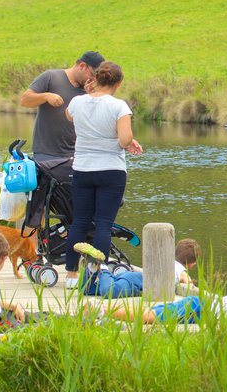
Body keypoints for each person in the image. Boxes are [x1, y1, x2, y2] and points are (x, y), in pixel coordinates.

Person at [63, 61, 143, 289]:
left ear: (95, 79)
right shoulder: (119, 106)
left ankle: (70, 275)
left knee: (79, 222)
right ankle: (97, 273)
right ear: (118, 83)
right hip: (111, 170)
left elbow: (69, 116)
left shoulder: (77, 102)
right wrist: (129, 142)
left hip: (83, 169)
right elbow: (124, 140)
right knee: (103, 225)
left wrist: (88, 93)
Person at [20, 50, 105, 162]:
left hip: (78, 155)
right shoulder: (51, 77)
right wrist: (45, 96)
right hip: (46, 154)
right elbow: (25, 100)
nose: (93, 80)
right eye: (93, 75)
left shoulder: (90, 89)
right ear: (82, 66)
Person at [74, 238, 200, 299]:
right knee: (109, 292)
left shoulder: (167, 262)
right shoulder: (180, 270)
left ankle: (92, 266)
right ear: (191, 264)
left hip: (132, 277)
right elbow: (187, 282)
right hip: (136, 282)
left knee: (87, 290)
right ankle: (102, 265)